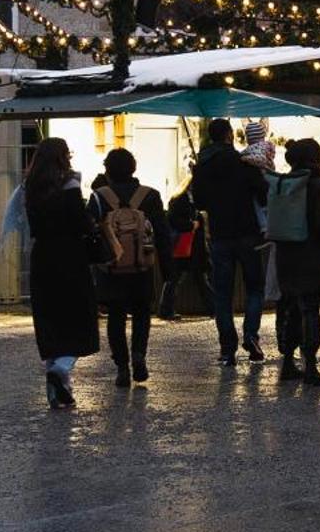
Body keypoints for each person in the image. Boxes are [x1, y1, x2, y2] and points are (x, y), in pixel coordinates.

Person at [19, 137, 101, 408]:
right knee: (78, 318)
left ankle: (57, 393)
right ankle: (62, 369)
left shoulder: (29, 186)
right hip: (70, 256)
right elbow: (79, 221)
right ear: (64, 156)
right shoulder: (70, 184)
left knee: (50, 321)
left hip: (42, 257)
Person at [190, 117, 270, 364]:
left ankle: (227, 349)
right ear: (229, 136)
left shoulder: (203, 166)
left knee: (222, 294)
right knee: (254, 287)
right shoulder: (244, 163)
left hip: (220, 235)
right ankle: (251, 335)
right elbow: (263, 193)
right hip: (248, 232)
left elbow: (200, 202)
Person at [89, 148, 169, 388]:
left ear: (107, 170)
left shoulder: (99, 197)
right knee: (142, 313)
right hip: (141, 266)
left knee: (116, 316)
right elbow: (163, 234)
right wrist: (168, 268)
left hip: (111, 267)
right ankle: (139, 355)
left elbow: (90, 232)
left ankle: (122, 366)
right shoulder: (150, 196)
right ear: (134, 168)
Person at [271, 138, 320, 387]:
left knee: (289, 309)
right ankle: (310, 366)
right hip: (310, 254)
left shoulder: (284, 184)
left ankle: (288, 362)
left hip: (285, 254)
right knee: (309, 310)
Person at [158, 183, 212, 321]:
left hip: (187, 246)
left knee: (177, 279)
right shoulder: (183, 200)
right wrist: (191, 225)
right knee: (195, 278)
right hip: (187, 245)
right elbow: (174, 220)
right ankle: (213, 308)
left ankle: (166, 309)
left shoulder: (182, 199)